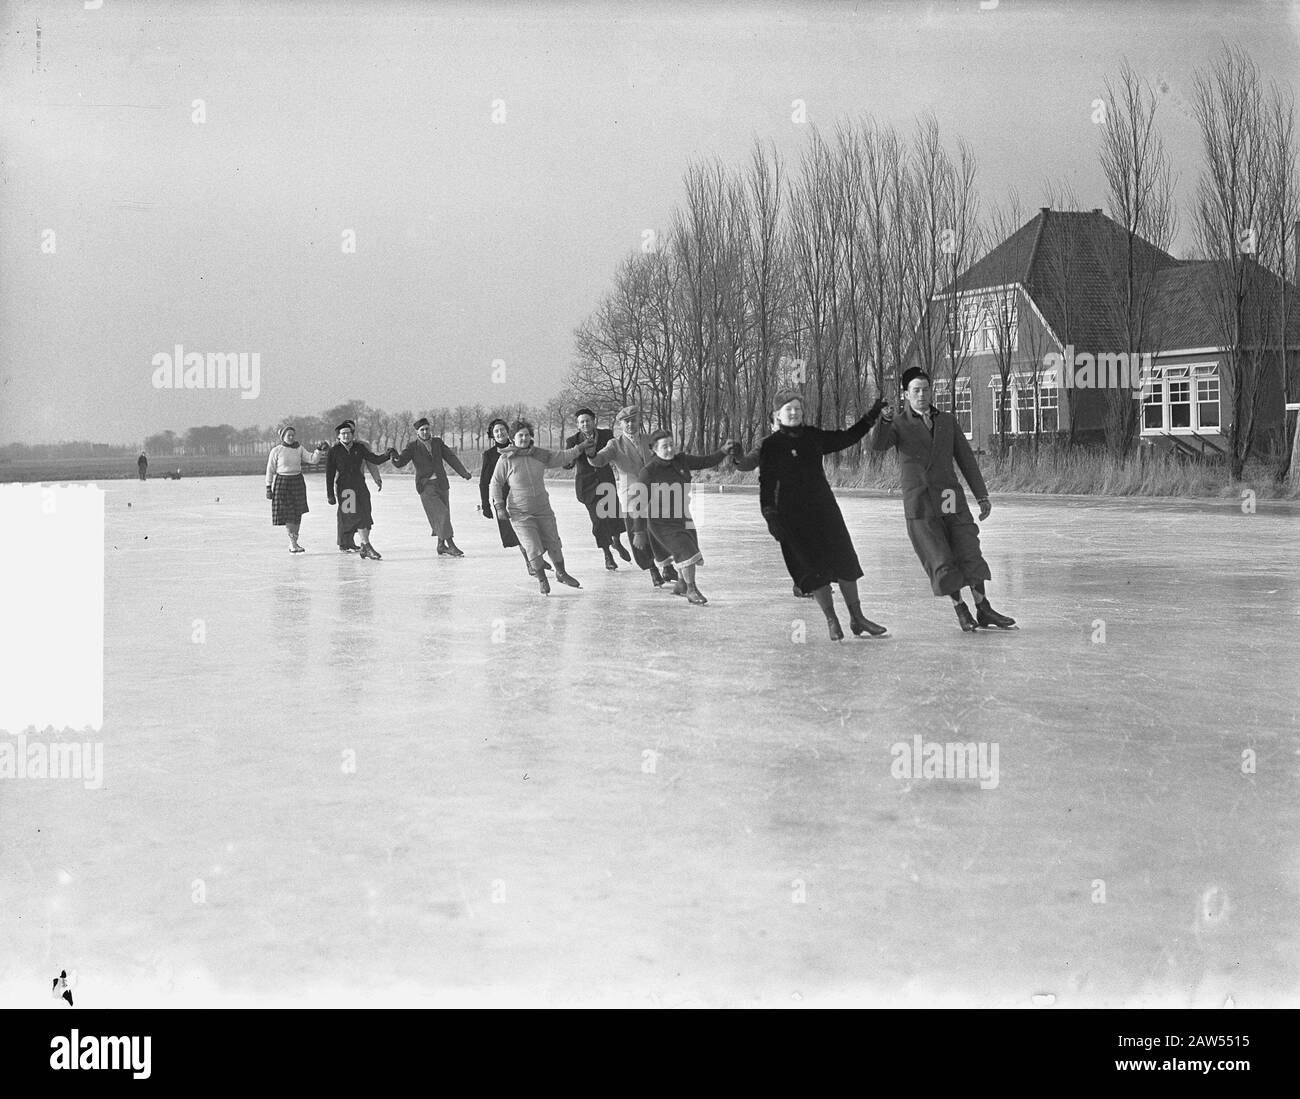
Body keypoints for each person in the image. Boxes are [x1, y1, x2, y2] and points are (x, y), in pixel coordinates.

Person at [870, 367, 1016, 632]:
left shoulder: (947, 421)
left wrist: (981, 495)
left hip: (949, 496)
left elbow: (966, 459)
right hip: (922, 502)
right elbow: (878, 445)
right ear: (906, 394)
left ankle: (983, 608)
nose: (922, 394)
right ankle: (960, 608)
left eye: (926, 389)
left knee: (967, 548)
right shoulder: (899, 424)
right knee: (941, 559)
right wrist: (883, 420)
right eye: (916, 390)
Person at [756, 391, 890, 642]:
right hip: (793, 518)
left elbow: (847, 437)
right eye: (788, 409)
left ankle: (857, 618)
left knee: (846, 562)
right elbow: (766, 484)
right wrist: (770, 515)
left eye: (797, 408)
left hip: (824, 510)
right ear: (777, 415)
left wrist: (871, 416)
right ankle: (832, 620)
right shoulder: (771, 446)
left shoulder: (812, 436)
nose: (794, 413)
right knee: (812, 569)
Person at [488, 420, 593, 594]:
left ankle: (561, 573)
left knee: (553, 541)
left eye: (527, 435)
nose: (524, 438)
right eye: (520, 435)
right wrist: (499, 506)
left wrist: (580, 447)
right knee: (532, 545)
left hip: (543, 508)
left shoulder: (539, 454)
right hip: (520, 512)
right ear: (513, 438)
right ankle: (542, 579)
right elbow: (495, 483)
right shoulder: (506, 458)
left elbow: (562, 455)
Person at [632, 429, 731, 605]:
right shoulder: (649, 471)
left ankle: (681, 584)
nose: (670, 449)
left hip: (683, 516)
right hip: (660, 521)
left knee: (687, 548)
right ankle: (691, 589)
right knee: (685, 550)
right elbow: (639, 503)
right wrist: (639, 531)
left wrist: (722, 451)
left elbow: (705, 461)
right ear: (654, 449)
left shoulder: (681, 460)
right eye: (664, 447)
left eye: (671, 445)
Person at [590, 405, 675, 588]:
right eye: (626, 422)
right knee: (638, 533)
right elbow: (600, 460)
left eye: (633, 420)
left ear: (639, 421)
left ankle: (667, 566)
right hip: (632, 495)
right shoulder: (615, 444)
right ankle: (652, 568)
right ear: (621, 425)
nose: (630, 424)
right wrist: (591, 454)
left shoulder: (649, 440)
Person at [479, 417, 551, 577]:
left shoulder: (520, 447)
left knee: (535, 530)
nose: (500, 433)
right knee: (519, 534)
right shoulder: (489, 455)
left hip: (525, 497)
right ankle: (530, 562)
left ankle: (536, 557)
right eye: (496, 431)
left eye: (502, 430)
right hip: (503, 499)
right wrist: (486, 505)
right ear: (492, 435)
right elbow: (485, 482)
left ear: (508, 432)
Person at [391, 417, 471, 556]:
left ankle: (441, 546)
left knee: (444, 515)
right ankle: (451, 545)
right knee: (442, 514)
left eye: (427, 429)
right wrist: (393, 456)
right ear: (417, 432)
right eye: (422, 430)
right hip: (426, 486)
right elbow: (400, 462)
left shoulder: (437, 443)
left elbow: (450, 457)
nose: (425, 432)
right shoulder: (412, 447)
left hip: (441, 484)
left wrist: (463, 472)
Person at [565, 408, 632, 571]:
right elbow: (567, 463)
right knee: (599, 521)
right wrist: (573, 456)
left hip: (605, 481)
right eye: (582, 421)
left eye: (588, 420)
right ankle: (607, 554)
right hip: (587, 486)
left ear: (594, 421)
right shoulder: (573, 440)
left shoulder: (606, 435)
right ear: (578, 425)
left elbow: (616, 452)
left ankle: (616, 541)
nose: (585, 423)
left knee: (614, 516)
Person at [325, 421, 392, 560]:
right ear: (338, 436)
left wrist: (387, 454)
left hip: (360, 486)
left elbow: (374, 459)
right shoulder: (334, 451)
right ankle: (365, 546)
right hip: (345, 489)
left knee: (366, 515)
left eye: (348, 433)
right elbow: (329, 474)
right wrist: (330, 494)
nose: (346, 436)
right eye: (343, 434)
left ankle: (361, 546)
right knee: (355, 517)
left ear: (352, 435)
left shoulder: (359, 447)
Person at [265, 425, 328, 552]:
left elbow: (312, 460)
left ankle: (295, 541)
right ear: (283, 436)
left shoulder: (299, 449)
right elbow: (270, 469)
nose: (291, 437)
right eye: (289, 435)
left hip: (297, 481)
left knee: (297, 512)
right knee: (288, 513)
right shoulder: (276, 450)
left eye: (293, 435)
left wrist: (319, 450)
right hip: (282, 482)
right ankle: (292, 543)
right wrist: (268, 486)